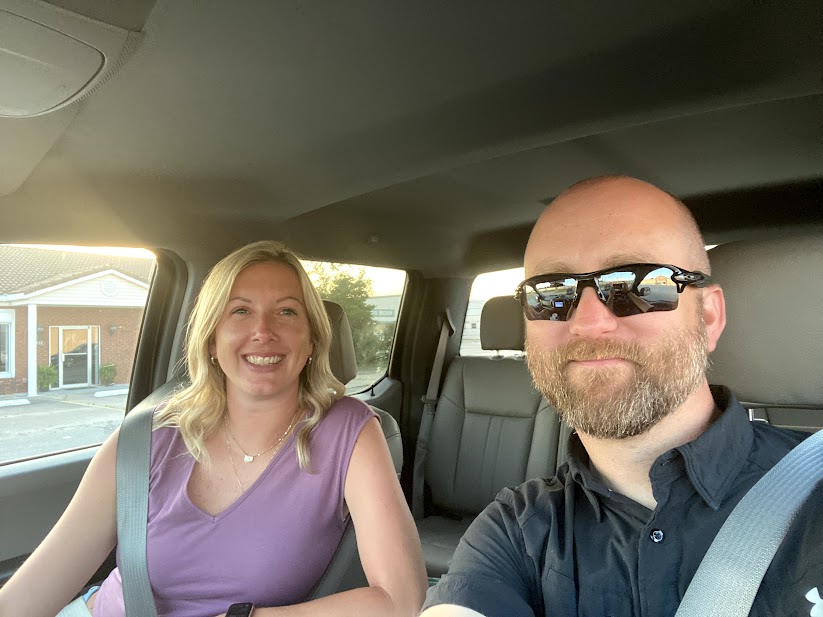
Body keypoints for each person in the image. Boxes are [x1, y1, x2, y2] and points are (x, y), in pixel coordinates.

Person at [421, 176, 821, 616]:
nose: (588, 323)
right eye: (551, 293)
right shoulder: (514, 530)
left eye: (637, 285)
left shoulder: (813, 493)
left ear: (708, 317)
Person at [0, 240, 427, 617]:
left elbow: (401, 599)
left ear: (312, 339)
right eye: (240, 311)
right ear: (211, 339)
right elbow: (32, 591)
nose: (263, 331)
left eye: (286, 311)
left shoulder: (350, 432)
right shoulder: (146, 438)